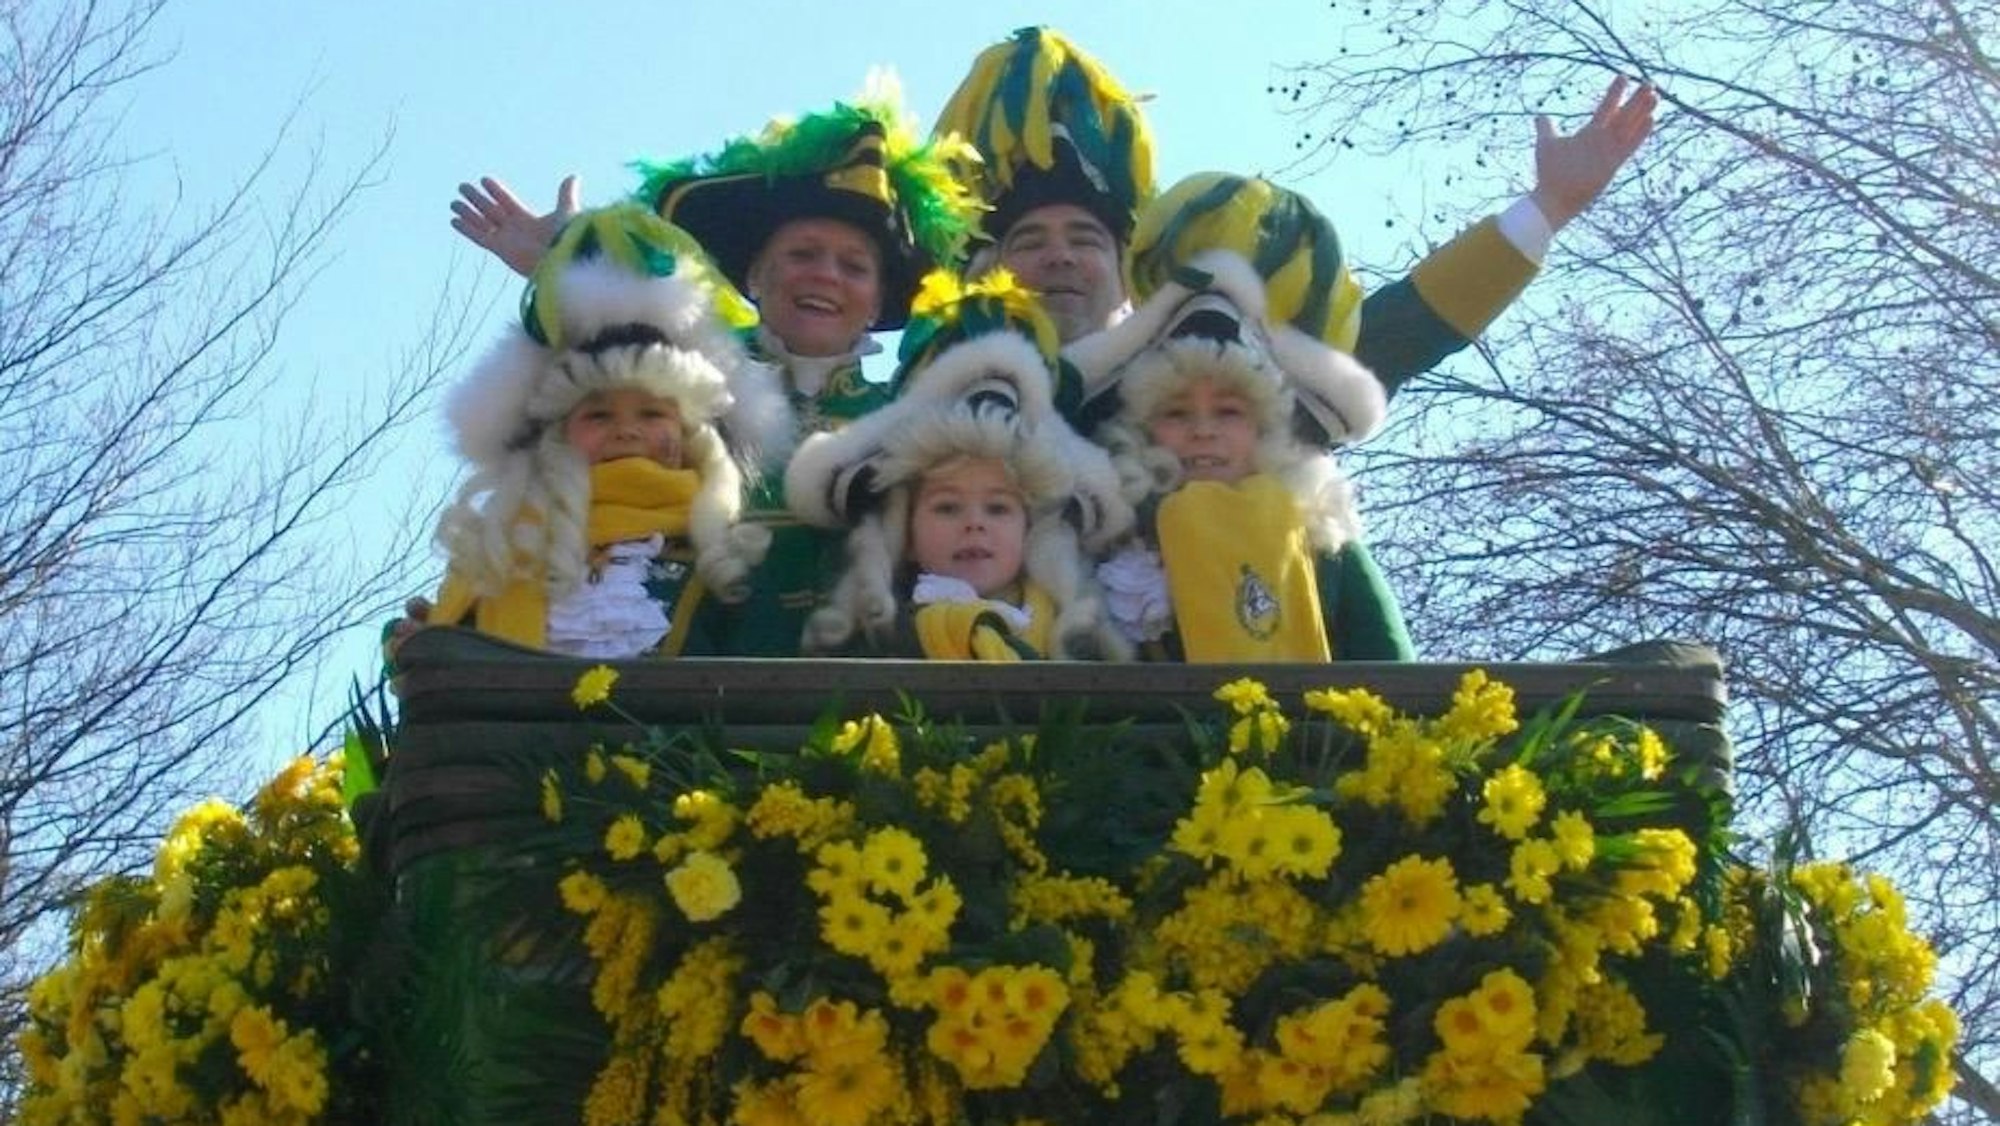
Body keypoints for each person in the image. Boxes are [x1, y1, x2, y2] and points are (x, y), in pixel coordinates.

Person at [451, 82, 983, 654]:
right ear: (754, 276)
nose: (825, 275)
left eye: (854, 266)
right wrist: (568, 260)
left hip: (866, 700)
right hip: (689, 679)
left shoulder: (912, 420)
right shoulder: (684, 394)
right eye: (802, 254)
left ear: (878, 303)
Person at [935, 27, 1657, 404]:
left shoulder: (1197, 385)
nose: (1059, 255)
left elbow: (1378, 343)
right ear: (987, 265)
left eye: (1085, 238)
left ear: (1129, 275)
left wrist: (1547, 209)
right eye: (1029, 239)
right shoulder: (928, 394)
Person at [409, 204, 773, 660]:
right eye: (598, 417)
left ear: (692, 435)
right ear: (558, 437)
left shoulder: (728, 563)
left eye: (651, 414)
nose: (626, 431)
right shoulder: (500, 557)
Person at [1079, 174, 1407, 662]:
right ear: (1142, 429)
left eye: (1229, 412)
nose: (1203, 429)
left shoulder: (1322, 540)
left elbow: (1395, 672)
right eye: (1177, 412)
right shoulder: (1107, 545)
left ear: (1267, 429)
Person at [784, 272, 1130, 660]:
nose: (974, 523)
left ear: (1031, 530)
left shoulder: (1077, 645)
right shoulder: (880, 644)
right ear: (906, 535)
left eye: (998, 507)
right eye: (947, 507)